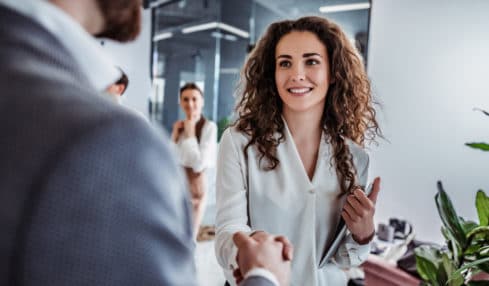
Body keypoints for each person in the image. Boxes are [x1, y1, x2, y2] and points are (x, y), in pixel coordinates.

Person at [215, 16, 382, 286]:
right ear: (272, 73)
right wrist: (247, 251)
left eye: (311, 61)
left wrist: (363, 234)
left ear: (333, 72)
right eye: (285, 63)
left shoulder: (354, 158)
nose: (297, 74)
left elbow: (345, 259)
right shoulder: (238, 143)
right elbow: (226, 233)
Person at [171, 83, 217, 237]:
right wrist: (175, 136)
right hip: (177, 186)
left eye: (194, 99)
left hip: (195, 188)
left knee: (189, 238)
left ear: (202, 101)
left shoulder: (209, 127)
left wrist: (190, 134)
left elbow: (198, 164)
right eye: (185, 99)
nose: (190, 104)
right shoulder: (180, 127)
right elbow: (170, 159)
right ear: (180, 102)